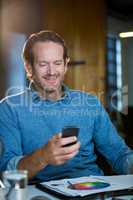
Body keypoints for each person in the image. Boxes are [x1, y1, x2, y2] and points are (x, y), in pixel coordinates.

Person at [0, 30, 133, 182]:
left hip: (93, 189)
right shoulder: (9, 108)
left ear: (65, 65)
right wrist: (42, 156)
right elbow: (6, 174)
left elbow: (119, 154)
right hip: (40, 194)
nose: (51, 72)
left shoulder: (90, 104)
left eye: (57, 63)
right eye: (43, 64)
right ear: (28, 67)